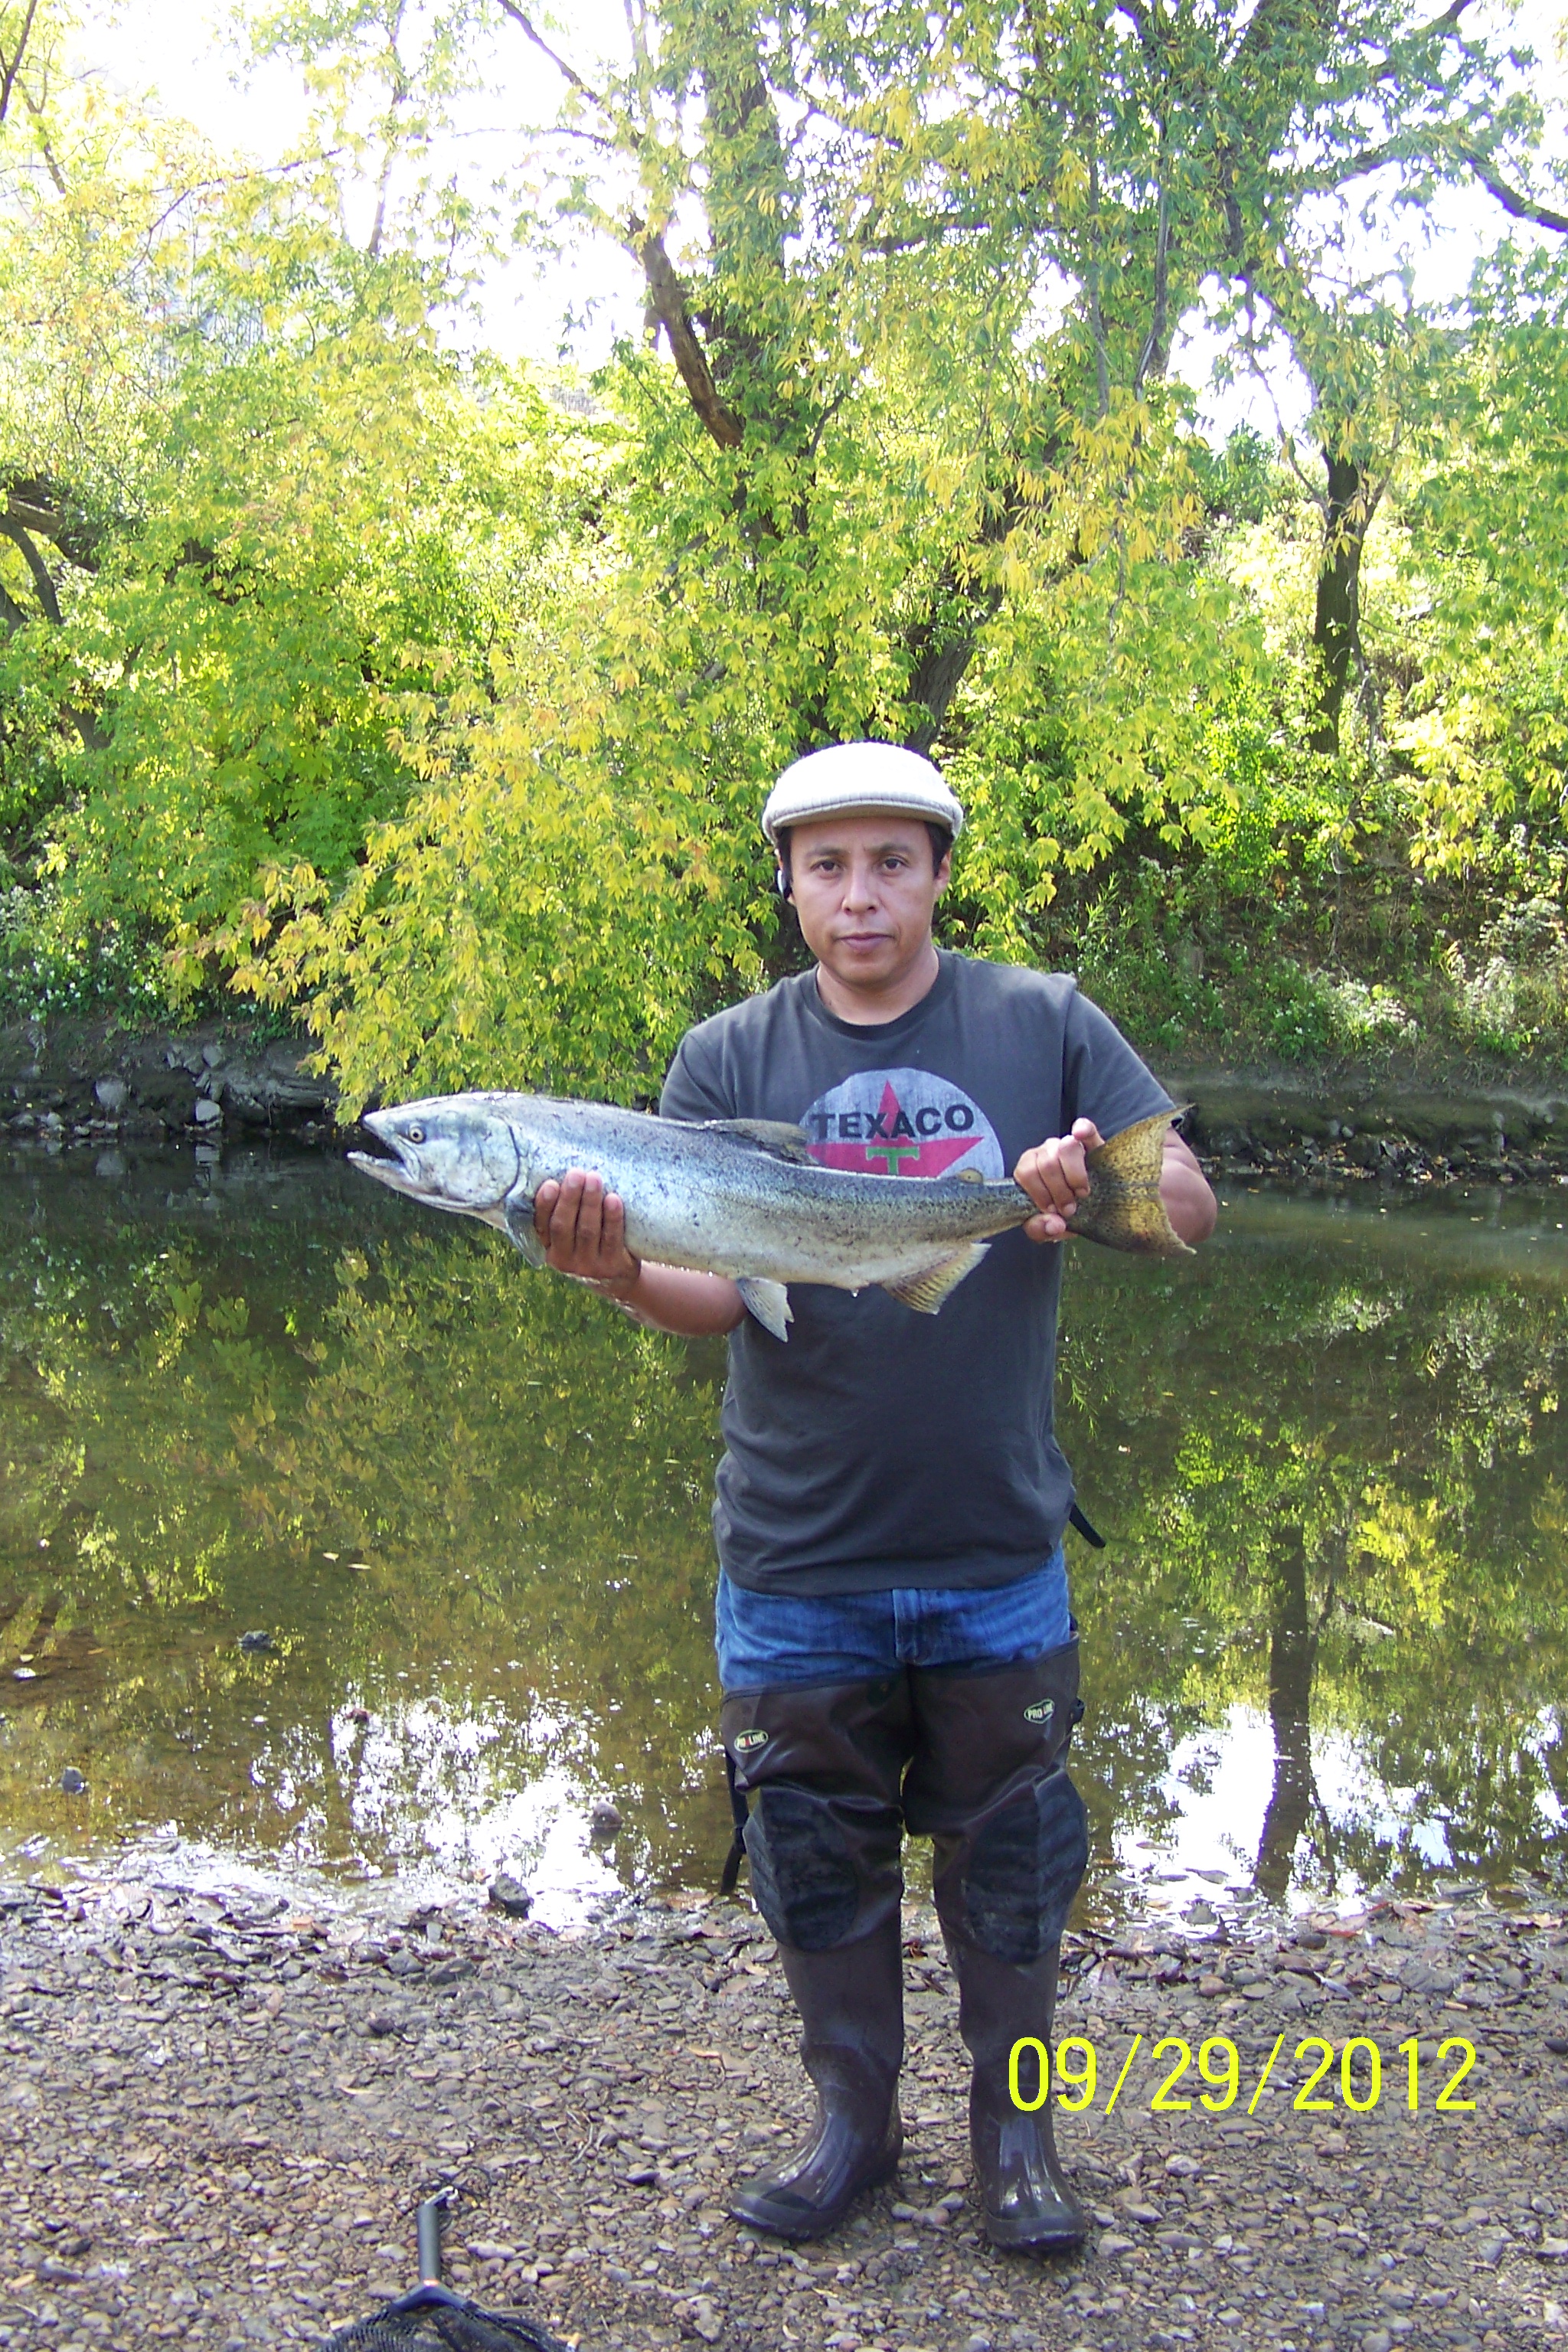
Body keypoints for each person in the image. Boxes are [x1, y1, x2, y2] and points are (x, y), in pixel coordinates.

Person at [532, 741, 1216, 2252]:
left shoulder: (1041, 1025)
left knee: (1016, 1865)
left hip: (995, 1547)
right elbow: (717, 1294)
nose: (859, 898)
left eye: (890, 863)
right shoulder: (723, 1059)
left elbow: (1187, 1209)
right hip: (792, 1554)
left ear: (938, 875)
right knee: (812, 1858)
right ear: (784, 882)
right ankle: (851, 2131)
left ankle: (1016, 2148)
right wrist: (618, 1268)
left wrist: (1087, 1187)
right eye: (826, 866)